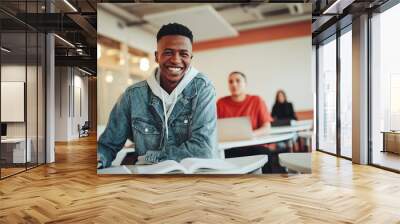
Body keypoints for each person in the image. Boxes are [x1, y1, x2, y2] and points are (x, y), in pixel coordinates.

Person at [97, 23, 217, 168]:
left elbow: (203, 149)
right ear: (156, 56)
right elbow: (107, 145)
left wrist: (150, 158)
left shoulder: (203, 88)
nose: (176, 60)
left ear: (191, 57)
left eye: (183, 54)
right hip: (148, 180)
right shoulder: (132, 95)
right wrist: (98, 160)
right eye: (168, 52)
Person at [217, 71, 286, 173]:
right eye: (230, 82)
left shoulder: (256, 100)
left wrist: (250, 134)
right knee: (216, 158)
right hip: (229, 147)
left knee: (264, 154)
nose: (234, 84)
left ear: (245, 84)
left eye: (238, 81)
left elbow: (267, 127)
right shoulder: (221, 103)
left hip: (254, 146)